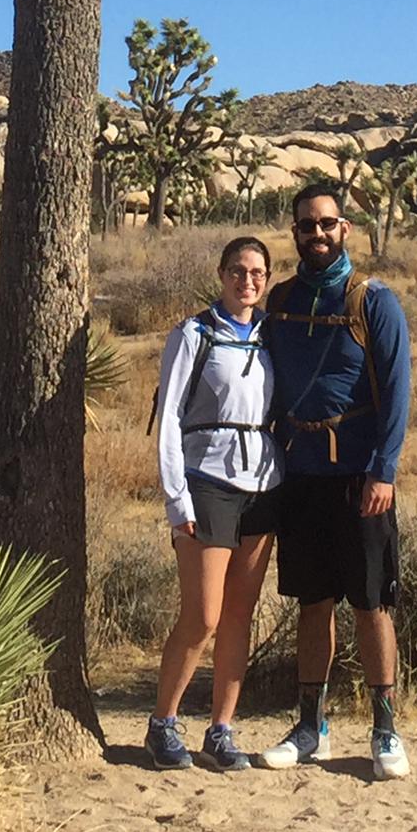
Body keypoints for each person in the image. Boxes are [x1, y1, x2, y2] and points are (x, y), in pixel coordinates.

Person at [257, 184, 412, 781]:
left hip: (359, 477)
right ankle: (310, 726)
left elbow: (397, 393)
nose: (316, 234)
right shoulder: (281, 300)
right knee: (312, 603)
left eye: (326, 224)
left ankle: (385, 728)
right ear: (294, 232)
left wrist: (384, 470)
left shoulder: (374, 301)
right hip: (300, 473)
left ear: (344, 228)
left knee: (371, 603)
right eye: (305, 226)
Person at [145, 235, 283, 773]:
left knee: (238, 616)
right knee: (202, 615)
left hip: (263, 483)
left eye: (257, 273)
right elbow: (171, 418)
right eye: (238, 270)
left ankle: (221, 730)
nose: (247, 281)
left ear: (266, 280)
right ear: (221, 274)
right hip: (207, 481)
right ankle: (163, 722)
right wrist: (176, 496)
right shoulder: (194, 333)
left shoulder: (271, 336)